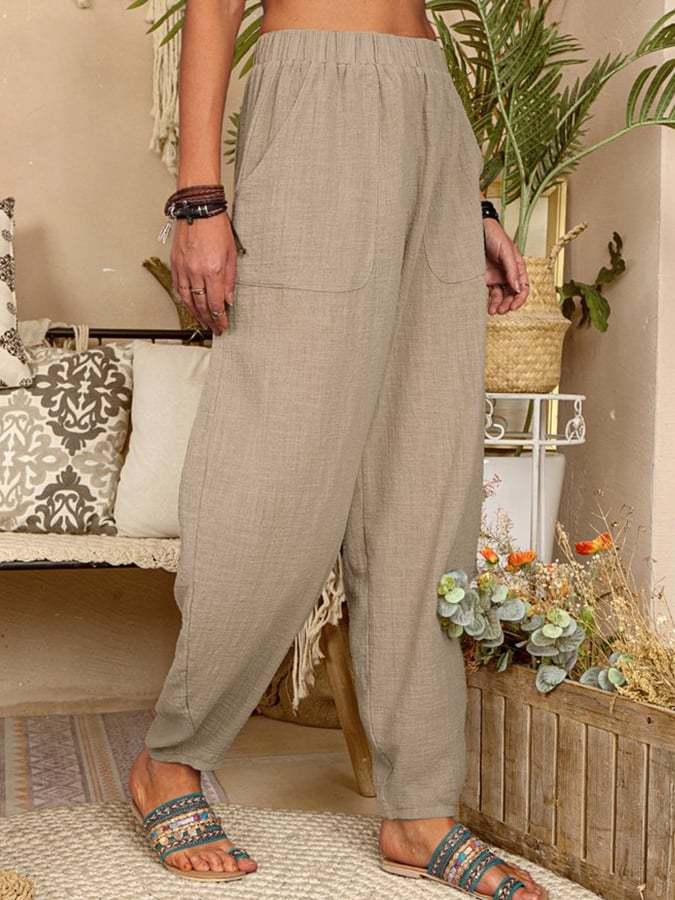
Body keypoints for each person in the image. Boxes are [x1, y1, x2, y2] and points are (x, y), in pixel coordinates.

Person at [128, 1, 546, 896]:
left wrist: (468, 201)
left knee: (424, 480)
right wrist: (198, 197)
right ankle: (172, 758)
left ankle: (418, 807)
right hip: (314, 96)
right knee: (275, 468)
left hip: (428, 110)